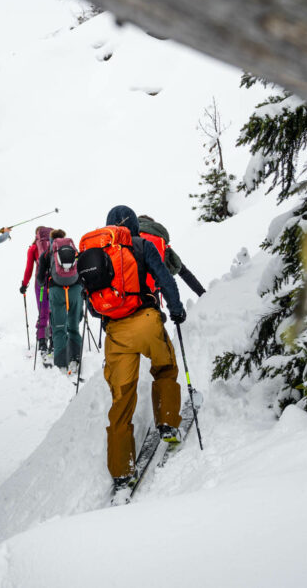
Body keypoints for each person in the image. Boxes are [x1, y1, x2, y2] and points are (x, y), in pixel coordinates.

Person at [85, 205, 187, 491]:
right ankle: (167, 423)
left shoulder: (98, 255)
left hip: (115, 333)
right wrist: (177, 310)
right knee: (165, 368)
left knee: (121, 401)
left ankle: (121, 470)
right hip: (146, 320)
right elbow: (165, 280)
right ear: (133, 225)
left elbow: (93, 308)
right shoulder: (142, 245)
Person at [37, 229, 83, 372]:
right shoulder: (73, 250)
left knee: (58, 328)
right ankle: (75, 360)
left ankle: (61, 365)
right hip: (75, 290)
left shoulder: (47, 253)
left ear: (51, 240)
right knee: (74, 327)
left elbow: (39, 279)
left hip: (57, 291)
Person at [137, 214, 206, 297]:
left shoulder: (131, 238)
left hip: (130, 291)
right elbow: (183, 271)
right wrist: (203, 294)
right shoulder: (161, 243)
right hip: (152, 290)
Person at [20, 226, 52, 354]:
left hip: (41, 283)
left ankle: (42, 340)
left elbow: (29, 269)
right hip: (56, 282)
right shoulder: (55, 245)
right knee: (53, 310)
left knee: (43, 310)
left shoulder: (33, 248)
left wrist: (24, 284)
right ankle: (54, 339)